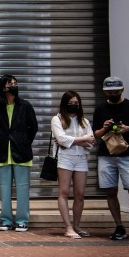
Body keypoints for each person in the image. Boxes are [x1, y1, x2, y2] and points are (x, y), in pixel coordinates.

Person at [92, 76, 129, 242]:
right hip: (106, 154)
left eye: (116, 91)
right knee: (111, 191)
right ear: (104, 92)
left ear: (122, 90)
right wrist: (105, 127)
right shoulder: (100, 108)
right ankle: (119, 227)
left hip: (127, 154)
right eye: (110, 92)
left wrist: (127, 129)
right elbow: (95, 134)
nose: (113, 94)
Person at [0, 75, 38, 232]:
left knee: (23, 188)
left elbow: (34, 128)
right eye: (10, 84)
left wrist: (23, 141)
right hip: (3, 152)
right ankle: (6, 220)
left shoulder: (25, 106)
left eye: (16, 83)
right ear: (3, 87)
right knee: (4, 189)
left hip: (21, 153)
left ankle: (23, 220)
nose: (14, 86)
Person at [51, 90, 95, 239]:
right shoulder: (57, 119)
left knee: (80, 194)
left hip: (81, 158)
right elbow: (61, 140)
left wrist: (74, 140)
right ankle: (68, 227)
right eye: (70, 103)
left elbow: (91, 143)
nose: (74, 106)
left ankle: (76, 225)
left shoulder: (85, 121)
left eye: (76, 103)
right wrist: (83, 139)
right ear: (65, 104)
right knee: (64, 192)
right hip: (65, 158)